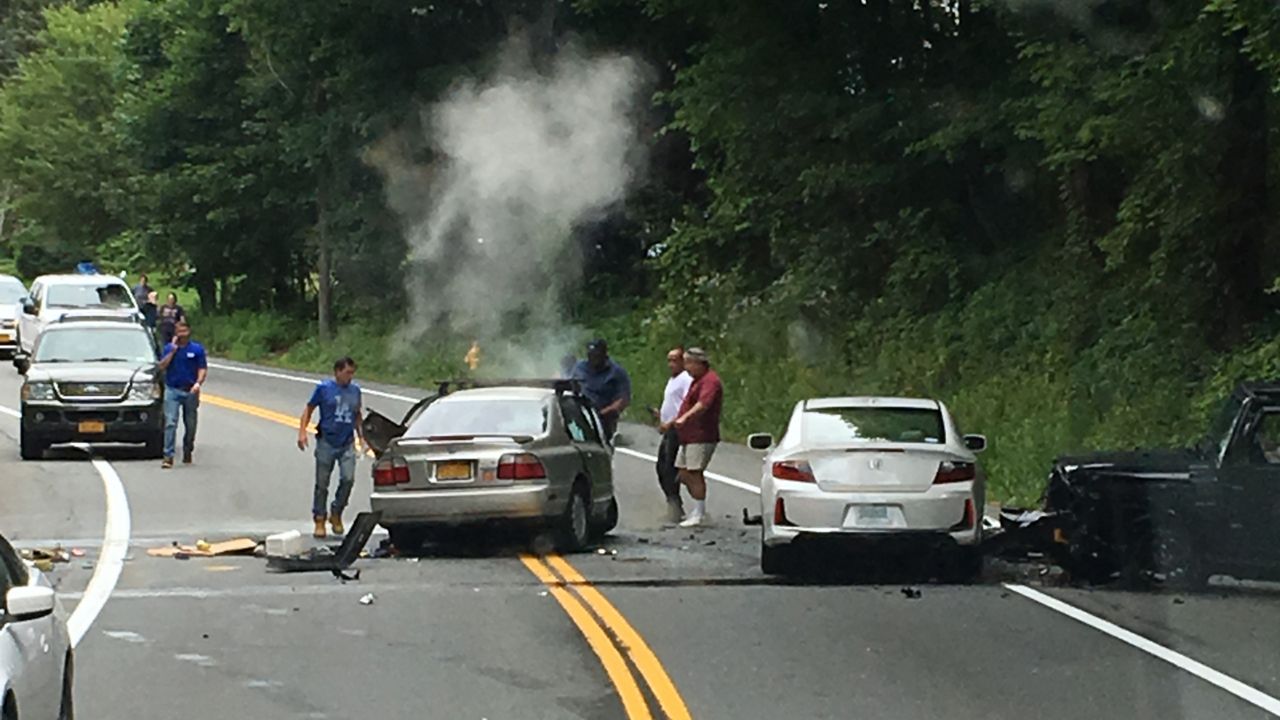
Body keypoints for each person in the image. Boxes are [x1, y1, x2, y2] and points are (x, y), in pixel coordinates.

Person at [298, 357, 366, 539]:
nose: (349, 377)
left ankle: (337, 511)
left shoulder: (355, 391)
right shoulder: (324, 389)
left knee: (348, 479)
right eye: (347, 373)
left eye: (352, 373)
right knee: (322, 484)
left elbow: (357, 414)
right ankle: (319, 518)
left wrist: (362, 438)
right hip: (327, 441)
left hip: (347, 442)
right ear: (337, 372)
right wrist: (302, 432)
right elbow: (309, 409)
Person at [672, 347, 723, 527]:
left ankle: (700, 512)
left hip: (702, 435)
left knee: (694, 472)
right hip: (688, 435)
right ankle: (698, 508)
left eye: (688, 363)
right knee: (683, 472)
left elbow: (703, 404)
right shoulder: (697, 380)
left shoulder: (710, 381)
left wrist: (686, 417)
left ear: (698, 363)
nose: (686, 368)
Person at [156, 319, 207, 469]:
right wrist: (172, 351)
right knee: (171, 422)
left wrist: (198, 383)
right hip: (172, 389)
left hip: (190, 390)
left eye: (184, 331)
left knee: (190, 425)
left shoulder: (197, 349)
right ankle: (168, 456)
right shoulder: (168, 348)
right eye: (179, 331)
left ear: (189, 332)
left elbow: (202, 368)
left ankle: (187, 449)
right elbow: (162, 366)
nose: (182, 334)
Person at [653, 347, 692, 523]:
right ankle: (673, 503)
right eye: (669, 360)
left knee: (669, 468)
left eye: (675, 360)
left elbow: (685, 405)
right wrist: (660, 416)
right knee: (661, 467)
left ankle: (676, 506)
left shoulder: (686, 380)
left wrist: (671, 422)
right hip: (668, 428)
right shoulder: (672, 380)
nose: (671, 364)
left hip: (677, 429)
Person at [571, 339, 631, 441]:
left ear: (604, 354)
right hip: (579, 415)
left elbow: (623, 399)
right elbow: (568, 384)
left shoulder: (616, 372)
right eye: (590, 355)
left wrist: (603, 412)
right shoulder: (579, 368)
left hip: (604, 418)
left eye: (596, 355)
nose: (593, 358)